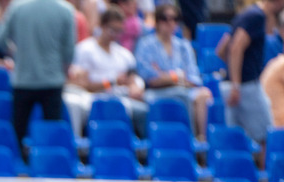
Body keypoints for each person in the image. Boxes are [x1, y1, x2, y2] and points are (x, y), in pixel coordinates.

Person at [0, 0, 77, 145]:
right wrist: (63, 70)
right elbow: (69, 51)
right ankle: (48, 164)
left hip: (23, 80)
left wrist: (16, 54)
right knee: (51, 133)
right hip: (52, 81)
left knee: (17, 132)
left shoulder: (17, 7)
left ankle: (15, 164)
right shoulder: (66, 10)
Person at [63, 7, 148, 138]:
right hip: (91, 101)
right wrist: (111, 82)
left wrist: (135, 87)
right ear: (102, 26)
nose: (115, 34)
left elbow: (134, 78)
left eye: (119, 31)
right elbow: (82, 85)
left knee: (145, 110)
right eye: (112, 30)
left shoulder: (124, 54)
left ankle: (142, 151)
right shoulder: (85, 50)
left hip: (121, 99)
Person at [134, 4, 213, 141]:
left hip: (183, 89)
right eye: (165, 19)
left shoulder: (184, 46)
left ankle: (201, 141)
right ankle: (189, 139)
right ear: (158, 22)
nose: (170, 23)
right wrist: (176, 77)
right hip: (156, 92)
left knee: (204, 94)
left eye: (174, 19)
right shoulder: (145, 44)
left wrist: (167, 76)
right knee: (182, 95)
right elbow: (148, 77)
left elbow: (193, 78)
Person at [216, 0, 284, 149]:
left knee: (235, 139)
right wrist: (237, 84)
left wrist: (233, 79)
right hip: (246, 87)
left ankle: (235, 172)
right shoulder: (257, 17)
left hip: (232, 87)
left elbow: (222, 50)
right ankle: (267, 172)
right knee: (268, 136)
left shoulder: (246, 14)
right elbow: (235, 48)